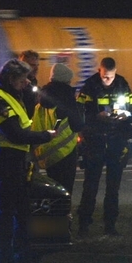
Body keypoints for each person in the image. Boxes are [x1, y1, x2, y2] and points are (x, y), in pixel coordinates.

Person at [0, 58, 54, 263]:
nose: (25, 84)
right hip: (4, 161)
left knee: (22, 214)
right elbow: (14, 133)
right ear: (11, 79)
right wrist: (44, 136)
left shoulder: (10, 94)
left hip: (17, 160)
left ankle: (23, 261)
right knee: (5, 214)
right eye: (21, 81)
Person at [76, 56, 132, 236]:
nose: (107, 80)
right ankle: (84, 224)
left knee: (113, 187)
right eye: (104, 77)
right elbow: (79, 113)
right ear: (99, 71)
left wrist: (126, 116)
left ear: (115, 73)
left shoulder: (122, 84)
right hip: (95, 141)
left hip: (116, 140)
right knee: (91, 185)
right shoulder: (89, 86)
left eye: (110, 77)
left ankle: (110, 225)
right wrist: (97, 116)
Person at [32, 63, 85, 195]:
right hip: (66, 152)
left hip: (48, 153)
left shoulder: (41, 101)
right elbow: (77, 125)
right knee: (65, 191)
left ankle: (53, 215)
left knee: (53, 191)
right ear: (66, 80)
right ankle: (64, 215)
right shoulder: (67, 99)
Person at [17, 50, 41, 118]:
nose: (36, 68)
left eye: (37, 65)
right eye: (32, 65)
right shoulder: (16, 84)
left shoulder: (33, 81)